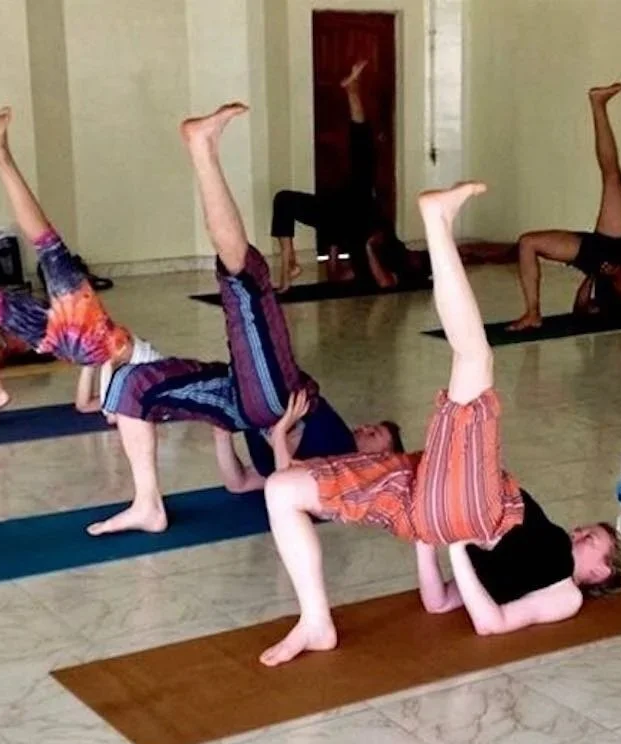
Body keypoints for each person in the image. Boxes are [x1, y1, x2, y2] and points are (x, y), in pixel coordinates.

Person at [259, 179, 621, 668]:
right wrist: (435, 539)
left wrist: (457, 538)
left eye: (592, 541)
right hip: (424, 500)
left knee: (474, 359)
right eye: (587, 530)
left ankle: (438, 223)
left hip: (472, 512)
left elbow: (491, 623)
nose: (580, 533)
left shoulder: (566, 595)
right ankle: (315, 621)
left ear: (600, 572)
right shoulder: (545, 545)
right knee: (281, 489)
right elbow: (437, 602)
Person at [88, 102, 402, 535]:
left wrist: (278, 436)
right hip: (257, 399)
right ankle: (148, 504)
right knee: (132, 383)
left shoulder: (348, 465)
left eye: (378, 435)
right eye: (376, 427)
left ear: (381, 458)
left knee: (246, 281)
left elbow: (285, 487)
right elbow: (241, 484)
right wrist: (224, 430)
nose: (368, 428)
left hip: (267, 405)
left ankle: (203, 149)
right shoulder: (340, 444)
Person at [0, 107, 163, 433]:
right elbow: (85, 402)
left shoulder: (126, 347)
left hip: (75, 332)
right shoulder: (106, 352)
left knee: (48, 243)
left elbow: (110, 369)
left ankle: (3, 160)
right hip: (63, 339)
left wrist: (110, 404)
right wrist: (104, 400)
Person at [507, 83, 621, 332]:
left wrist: (606, 276)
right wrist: (613, 277)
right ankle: (532, 313)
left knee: (611, 177)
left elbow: (594, 311)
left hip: (603, 256)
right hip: (617, 246)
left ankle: (598, 105)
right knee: (529, 241)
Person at [271, 61, 427, 292]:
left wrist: (363, 249)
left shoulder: (403, 272)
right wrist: (363, 245)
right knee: (362, 154)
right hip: (362, 209)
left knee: (284, 200)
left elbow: (381, 283)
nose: (414, 255)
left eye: (417, 257)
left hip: (342, 218)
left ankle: (287, 274)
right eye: (416, 255)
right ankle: (289, 264)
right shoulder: (395, 251)